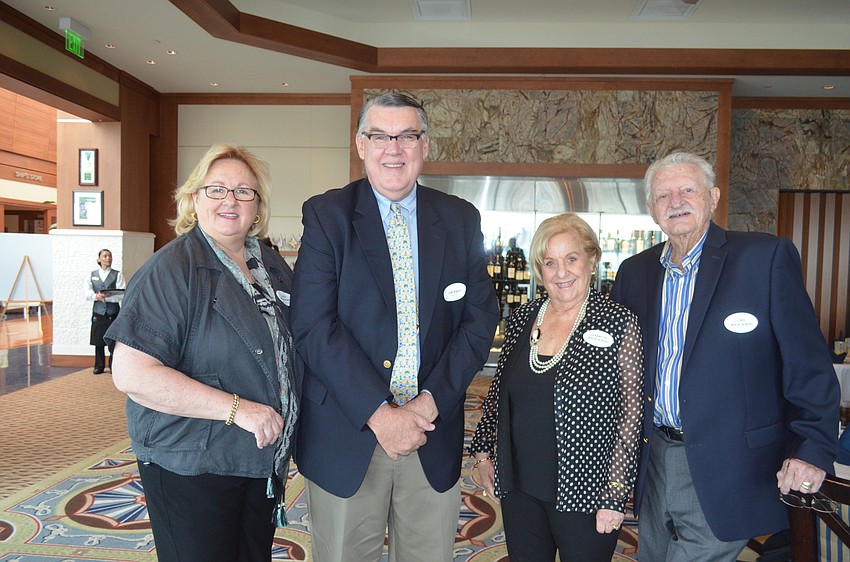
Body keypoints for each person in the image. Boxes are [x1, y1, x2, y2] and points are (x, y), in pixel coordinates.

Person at [291, 92, 500, 562]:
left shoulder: (460, 219)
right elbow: (312, 326)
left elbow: (479, 318)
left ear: (425, 145)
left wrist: (430, 401)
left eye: (407, 136)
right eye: (380, 136)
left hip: (431, 432)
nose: (394, 148)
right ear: (361, 145)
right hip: (348, 432)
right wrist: (380, 414)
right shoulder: (327, 216)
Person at [610, 151, 839, 560]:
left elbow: (809, 365)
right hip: (654, 458)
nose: (676, 202)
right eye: (663, 195)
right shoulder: (634, 272)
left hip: (733, 464)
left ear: (713, 197)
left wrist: (813, 449)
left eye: (687, 190)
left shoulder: (764, 259)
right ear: (651, 208)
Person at [105, 144, 301, 562]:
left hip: (259, 459)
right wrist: (239, 410)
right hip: (192, 463)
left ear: (258, 206)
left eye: (244, 191)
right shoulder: (171, 269)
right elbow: (133, 374)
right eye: (217, 189)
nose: (230, 200)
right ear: (194, 199)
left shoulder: (270, 265)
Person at [470, 213, 644, 561]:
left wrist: (615, 494)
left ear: (591, 259)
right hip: (520, 488)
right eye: (550, 262)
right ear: (539, 269)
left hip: (586, 492)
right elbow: (499, 392)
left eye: (571, 259)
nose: (561, 272)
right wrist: (485, 452)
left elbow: (631, 415)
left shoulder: (618, 321)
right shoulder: (523, 317)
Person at [86, 248, 125, 374]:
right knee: (98, 340)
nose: (108, 258)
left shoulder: (118, 274)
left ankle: (114, 365)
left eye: (110, 256)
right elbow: (87, 293)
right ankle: (99, 365)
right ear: (99, 259)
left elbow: (122, 294)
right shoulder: (92, 274)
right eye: (105, 256)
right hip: (98, 312)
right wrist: (96, 296)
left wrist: (108, 297)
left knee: (114, 340)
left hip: (113, 312)